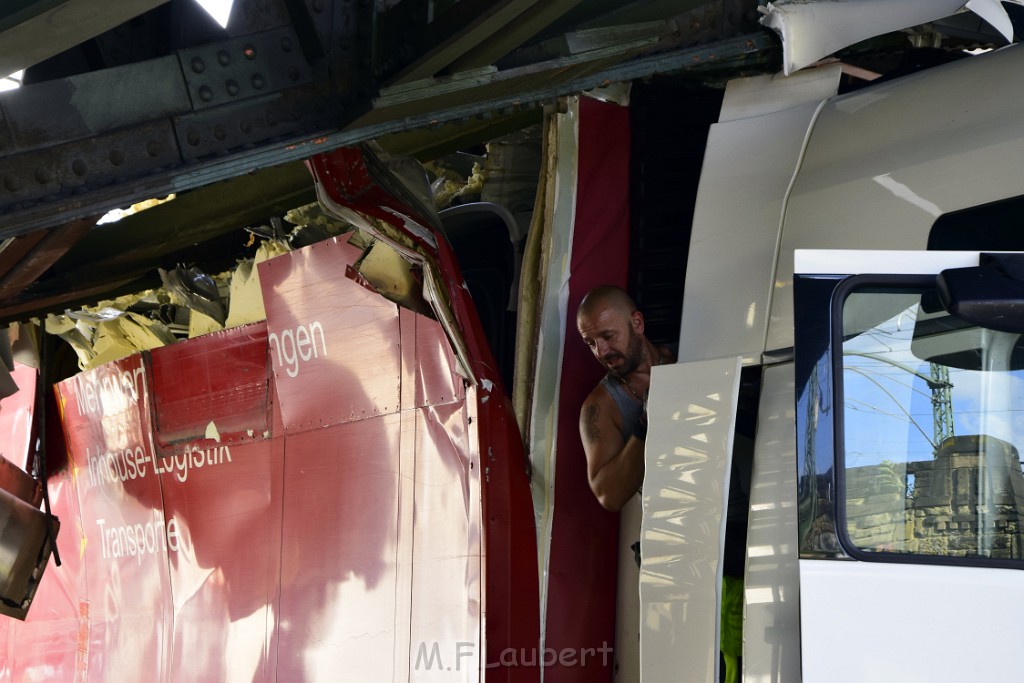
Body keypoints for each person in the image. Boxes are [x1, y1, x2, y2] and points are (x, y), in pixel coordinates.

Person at [576, 285, 673, 512]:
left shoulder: (683, 356)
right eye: (591, 343)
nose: (600, 351)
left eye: (608, 336)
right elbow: (607, 495)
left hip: (739, 502)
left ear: (637, 323)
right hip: (676, 523)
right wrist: (645, 426)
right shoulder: (601, 406)